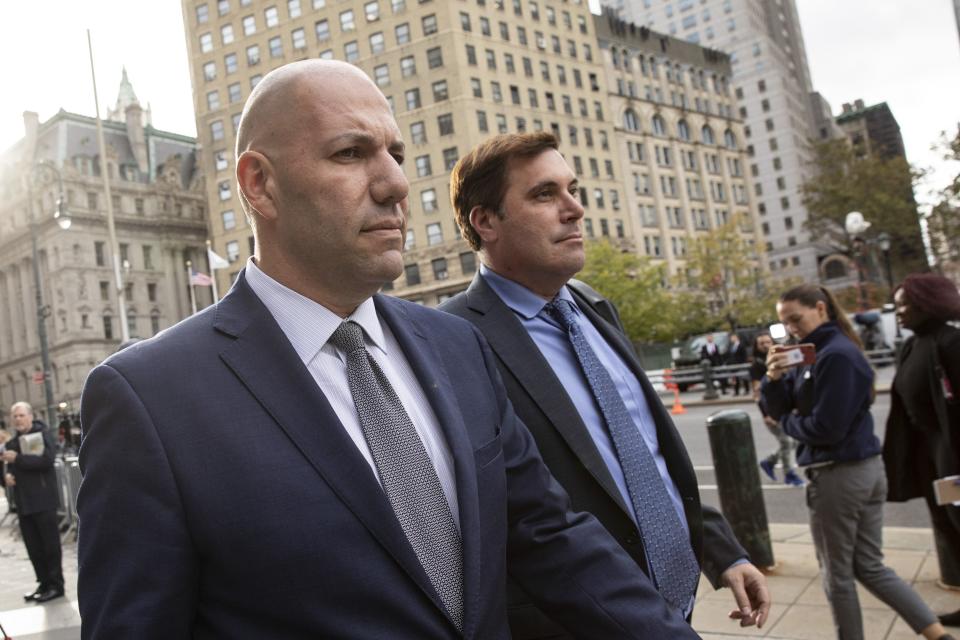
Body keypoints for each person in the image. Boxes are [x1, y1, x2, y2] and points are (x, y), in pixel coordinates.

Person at [77, 60, 700, 639]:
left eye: (397, 154)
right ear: (259, 184)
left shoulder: (459, 346)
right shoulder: (147, 399)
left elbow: (549, 536)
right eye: (351, 153)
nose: (397, 184)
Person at [440, 131, 770, 637]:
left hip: (673, 602)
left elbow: (642, 457)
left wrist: (722, 550)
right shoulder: (454, 339)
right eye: (544, 194)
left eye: (573, 189)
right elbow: (518, 516)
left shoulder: (594, 308)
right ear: (486, 222)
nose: (574, 209)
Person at [762, 284, 953, 640]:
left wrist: (786, 422)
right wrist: (772, 379)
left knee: (837, 575)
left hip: (839, 475)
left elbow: (825, 428)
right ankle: (937, 634)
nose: (790, 328)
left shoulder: (835, 354)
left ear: (820, 309)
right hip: (857, 470)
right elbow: (777, 405)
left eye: (795, 319)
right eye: (783, 323)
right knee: (868, 565)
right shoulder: (813, 352)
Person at [884, 273, 960, 628]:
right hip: (927, 452)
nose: (898, 311)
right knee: (949, 527)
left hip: (953, 451)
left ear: (928, 303)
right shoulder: (912, 345)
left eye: (904, 304)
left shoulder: (952, 341)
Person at [1, 402, 64, 603]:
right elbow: (5, 470)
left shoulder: (41, 434)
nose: (18, 419)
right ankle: (44, 583)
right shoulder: (12, 443)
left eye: (21, 415)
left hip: (43, 501)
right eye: (15, 416)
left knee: (49, 546)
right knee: (33, 547)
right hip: (23, 503)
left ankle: (56, 585)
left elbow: (45, 461)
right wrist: (6, 478)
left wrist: (18, 459)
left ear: (30, 415)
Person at [751, 332, 803, 487]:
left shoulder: (779, 359)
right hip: (770, 410)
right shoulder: (757, 366)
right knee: (787, 442)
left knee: (791, 442)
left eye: (768, 342)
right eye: (762, 343)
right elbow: (757, 392)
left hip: (782, 408)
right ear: (757, 347)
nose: (766, 345)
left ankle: (769, 462)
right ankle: (789, 474)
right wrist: (765, 414)